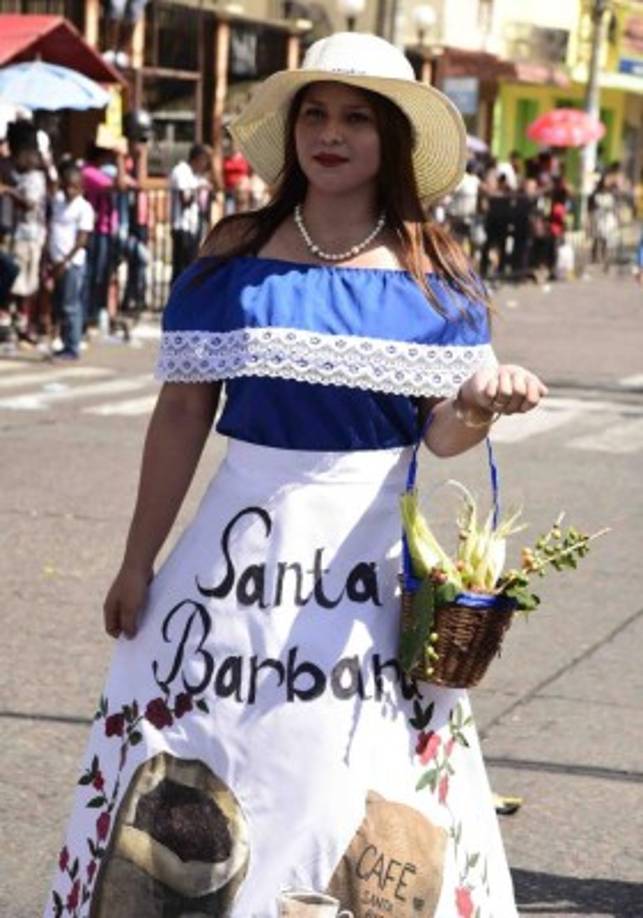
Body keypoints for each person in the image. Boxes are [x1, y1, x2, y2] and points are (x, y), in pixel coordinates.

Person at [47, 32, 547, 917]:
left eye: (357, 117)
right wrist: (137, 560)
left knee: (341, 771)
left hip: (367, 573)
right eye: (314, 113)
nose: (331, 132)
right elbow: (180, 414)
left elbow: (439, 437)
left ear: (391, 139)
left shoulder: (436, 275)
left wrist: (479, 405)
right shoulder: (236, 252)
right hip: (231, 561)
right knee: (206, 759)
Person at [46, 163, 95, 359]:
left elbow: (81, 240)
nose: (69, 190)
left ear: (81, 187)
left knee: (71, 305)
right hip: (56, 262)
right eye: (66, 186)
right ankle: (66, 342)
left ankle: (72, 347)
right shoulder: (58, 201)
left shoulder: (84, 208)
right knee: (60, 305)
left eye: (74, 187)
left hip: (71, 264)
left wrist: (64, 262)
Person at [169, 142, 213, 282]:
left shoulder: (196, 176)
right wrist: (198, 189)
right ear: (197, 158)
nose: (204, 165)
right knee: (180, 269)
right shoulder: (181, 171)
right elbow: (184, 200)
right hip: (182, 226)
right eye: (204, 160)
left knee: (190, 267)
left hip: (193, 226)